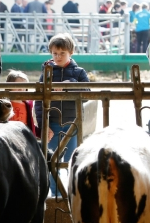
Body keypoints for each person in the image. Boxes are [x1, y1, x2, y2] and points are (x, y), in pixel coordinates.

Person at [34, 33, 90, 197]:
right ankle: (56, 193)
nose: (58, 57)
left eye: (62, 53)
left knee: (74, 161)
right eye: (55, 53)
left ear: (70, 53)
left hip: (72, 123)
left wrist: (70, 85)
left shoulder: (79, 73)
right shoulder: (47, 72)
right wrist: (43, 124)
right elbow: (39, 99)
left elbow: (87, 93)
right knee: (52, 161)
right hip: (52, 123)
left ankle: (73, 193)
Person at [5, 69, 37, 137]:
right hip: (9, 135)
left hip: (24, 135)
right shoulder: (5, 104)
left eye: (24, 86)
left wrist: (40, 133)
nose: (21, 89)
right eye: (18, 86)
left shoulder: (28, 104)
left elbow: (31, 124)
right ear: (9, 87)